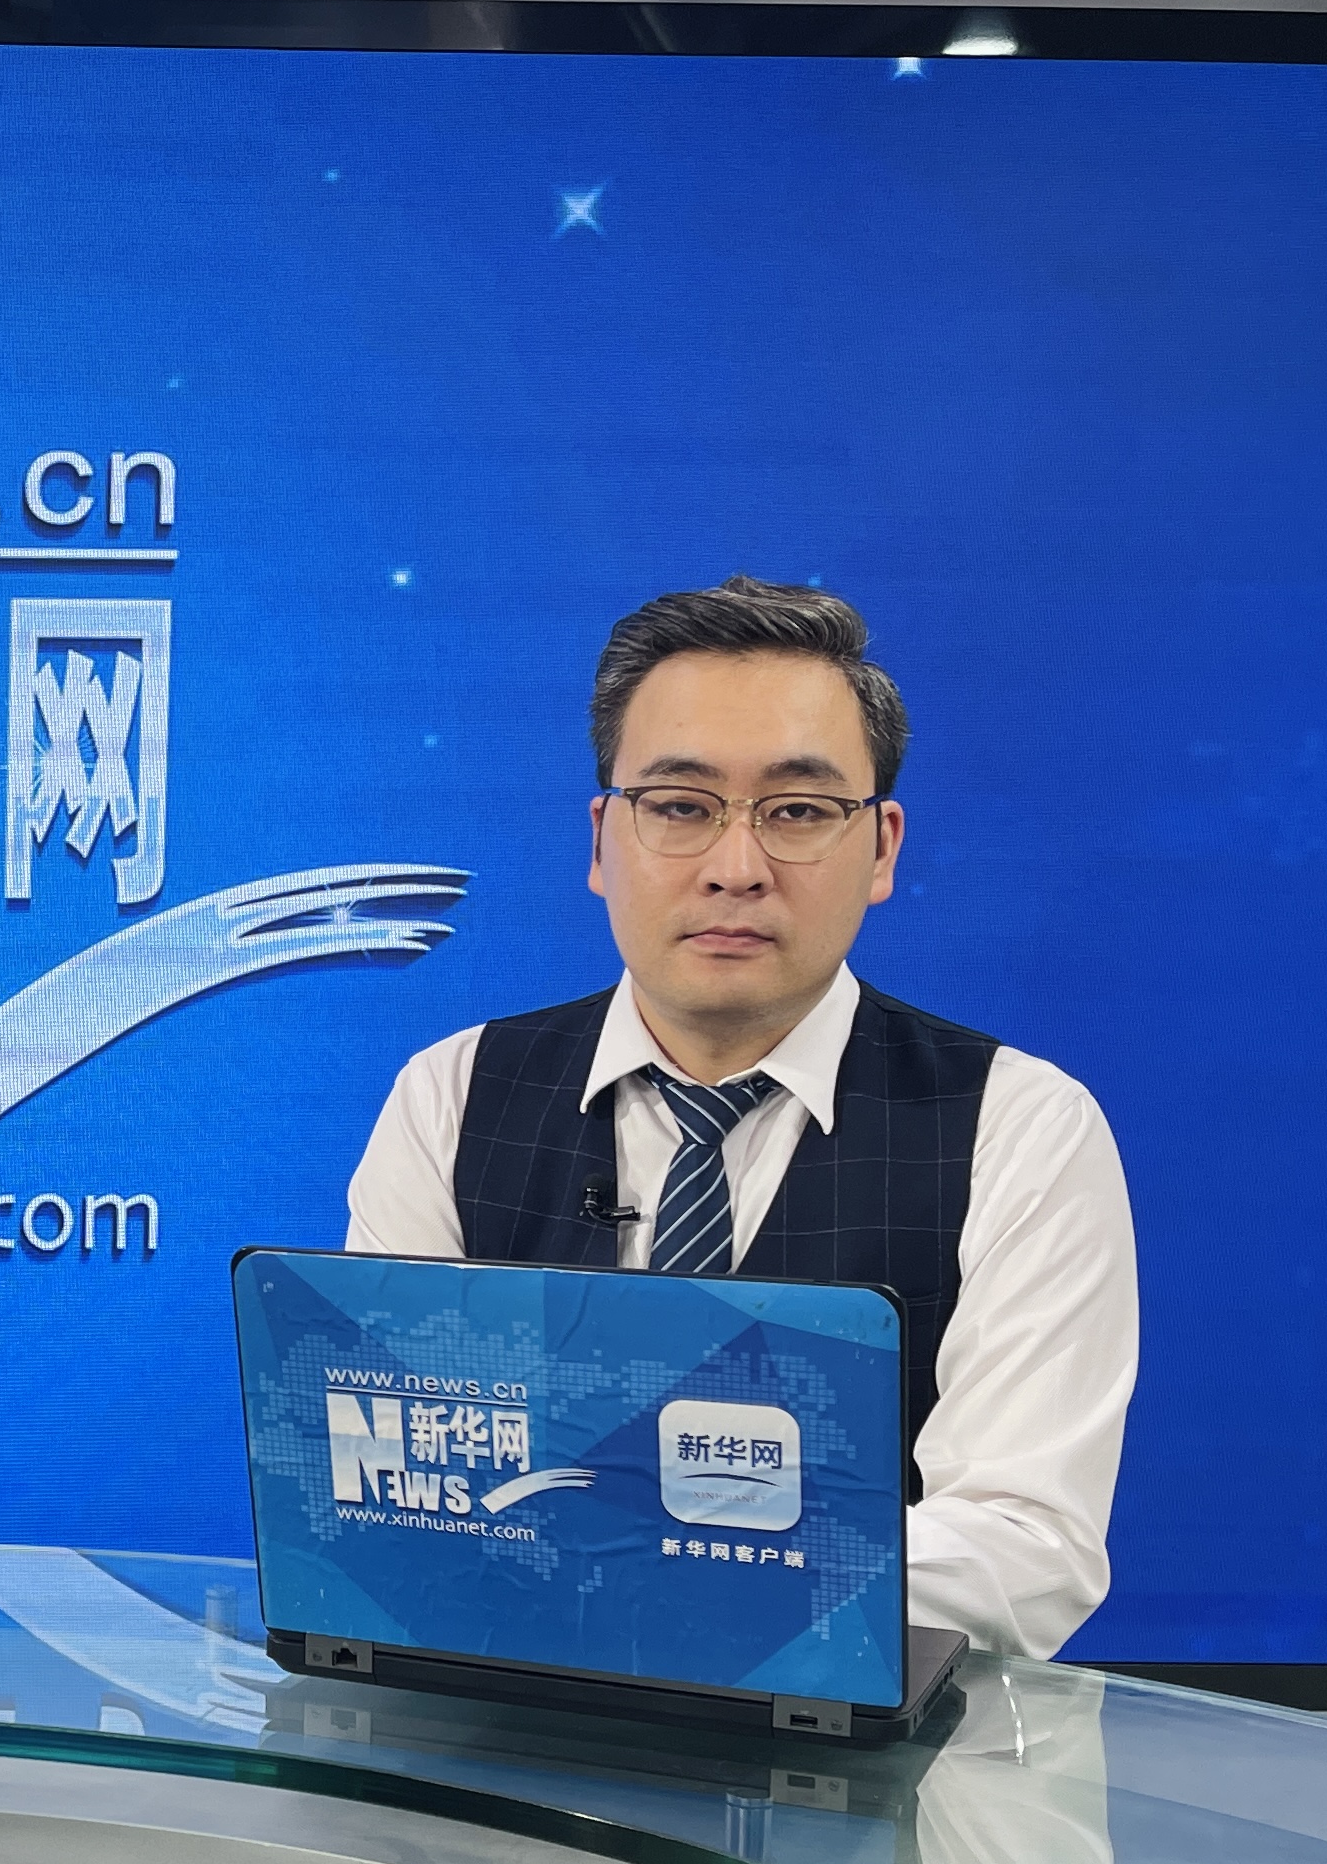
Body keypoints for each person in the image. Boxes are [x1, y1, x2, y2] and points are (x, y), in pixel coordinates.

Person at [343, 575, 1135, 1661]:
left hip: (858, 1747)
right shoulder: (452, 1094)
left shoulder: (1020, 1127)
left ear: (883, 848)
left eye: (798, 812)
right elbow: (394, 1494)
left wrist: (652, 1567)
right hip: (494, 1727)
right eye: (680, 807)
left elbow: (1024, 1551)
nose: (736, 868)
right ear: (602, 841)